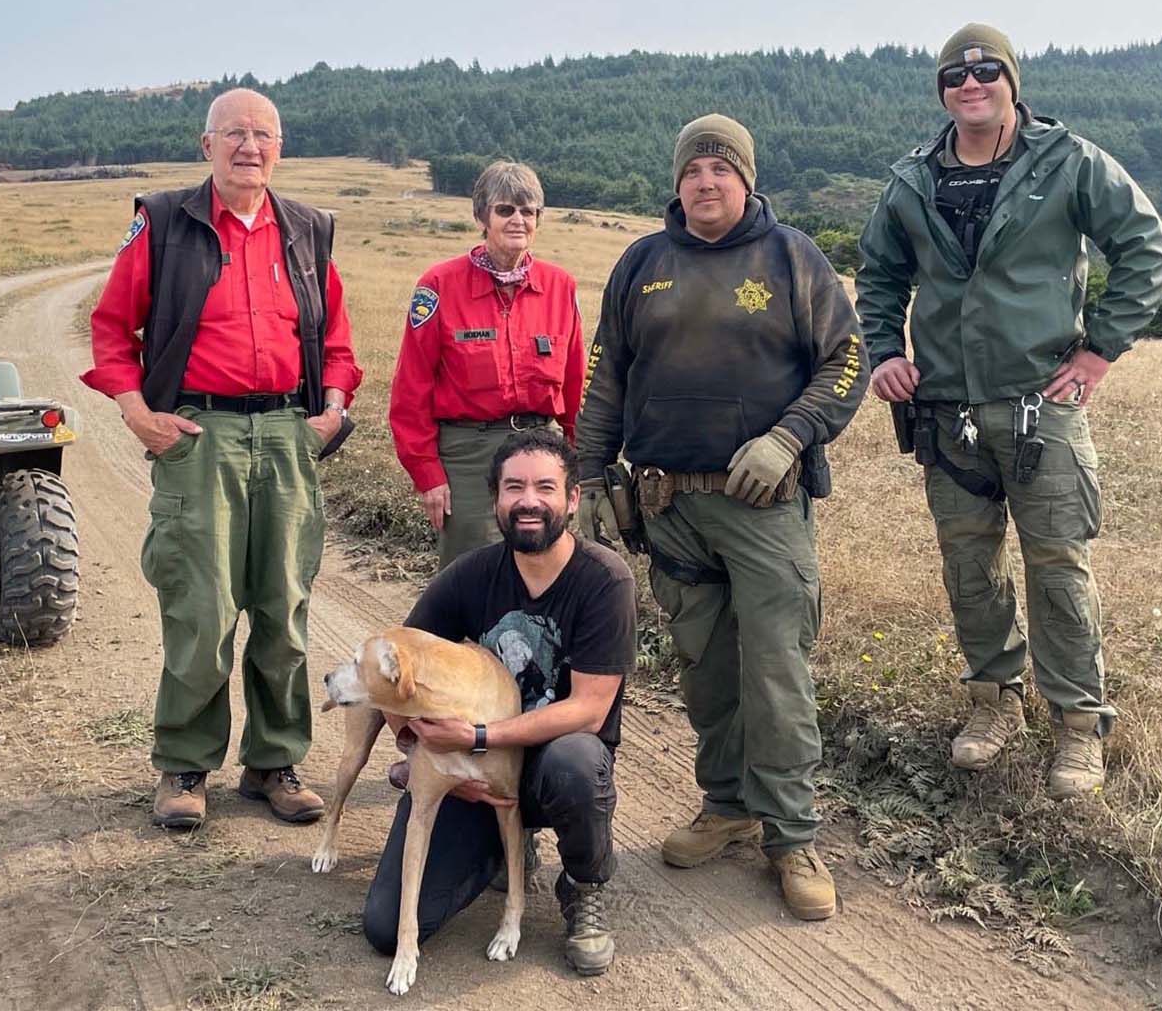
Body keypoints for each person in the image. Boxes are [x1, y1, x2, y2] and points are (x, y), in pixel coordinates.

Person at [854, 24, 1162, 799]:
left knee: (1058, 566)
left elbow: (1145, 246)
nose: (971, 85)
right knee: (969, 566)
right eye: (954, 77)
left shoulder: (1068, 164)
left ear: (1011, 81)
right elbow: (879, 274)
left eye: (986, 71)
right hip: (946, 411)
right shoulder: (912, 181)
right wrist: (884, 354)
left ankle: (1077, 725)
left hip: (1040, 404)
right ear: (941, 91)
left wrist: (1099, 351)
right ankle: (995, 703)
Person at [574, 113, 868, 921]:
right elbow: (606, 379)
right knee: (705, 667)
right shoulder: (642, 264)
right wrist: (590, 475)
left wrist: (789, 436)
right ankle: (728, 806)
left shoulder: (791, 256)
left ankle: (792, 835)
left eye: (722, 169)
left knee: (776, 670)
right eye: (694, 170)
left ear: (747, 178)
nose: (707, 182)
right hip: (671, 505)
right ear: (677, 182)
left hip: (763, 506)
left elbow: (848, 360)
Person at [82, 88, 364, 830]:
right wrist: (138, 413)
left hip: (285, 436)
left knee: (284, 607)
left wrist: (331, 412)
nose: (249, 146)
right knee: (202, 608)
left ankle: (273, 762)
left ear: (281, 147)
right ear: (205, 145)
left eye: (263, 134)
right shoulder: (166, 224)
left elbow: (337, 342)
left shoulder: (307, 231)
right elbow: (112, 330)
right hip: (199, 435)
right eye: (234, 133)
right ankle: (184, 764)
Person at [361, 430, 635, 978]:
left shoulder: (604, 580)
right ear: (496, 500)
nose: (528, 501)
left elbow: (588, 710)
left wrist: (476, 739)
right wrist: (420, 747)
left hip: (548, 766)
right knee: (386, 928)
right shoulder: (472, 573)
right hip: (476, 772)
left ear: (572, 499)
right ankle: (502, 849)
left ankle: (582, 886)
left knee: (577, 763)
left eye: (544, 487)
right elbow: (393, 660)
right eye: (514, 487)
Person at [388, 160, 584, 569]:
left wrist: (578, 462)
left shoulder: (560, 287)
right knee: (471, 571)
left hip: (540, 447)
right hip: (468, 455)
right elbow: (412, 387)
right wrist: (428, 474)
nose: (518, 220)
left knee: (543, 566)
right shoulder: (438, 286)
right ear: (482, 216)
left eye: (528, 211)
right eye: (505, 210)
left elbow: (574, 382)